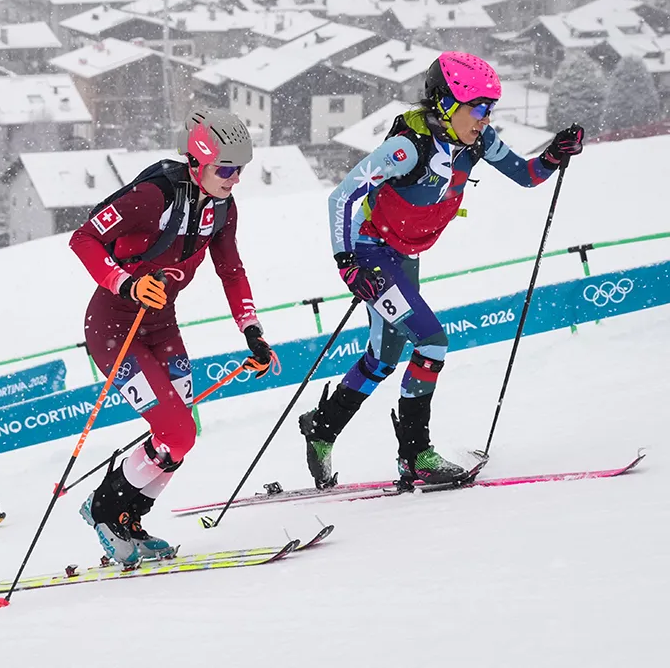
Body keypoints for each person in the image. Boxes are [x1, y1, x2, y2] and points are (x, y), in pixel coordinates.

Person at [301, 51, 584, 488]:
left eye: (491, 109)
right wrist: (347, 264)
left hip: (403, 255)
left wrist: (553, 154)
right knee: (431, 342)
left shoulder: (478, 141)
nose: (486, 118)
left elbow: (526, 175)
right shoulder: (407, 148)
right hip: (371, 252)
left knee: (383, 358)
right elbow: (341, 197)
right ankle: (416, 455)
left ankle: (321, 428)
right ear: (447, 104)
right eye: (479, 108)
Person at [69, 108, 278, 565]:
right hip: (114, 327)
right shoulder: (153, 196)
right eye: (226, 169)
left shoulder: (223, 208)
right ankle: (102, 508)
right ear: (198, 161)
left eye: (240, 169)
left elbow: (231, 271)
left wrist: (252, 330)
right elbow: (83, 238)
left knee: (181, 436)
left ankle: (128, 519)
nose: (235, 179)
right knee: (176, 431)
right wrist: (125, 283)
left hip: (162, 325)